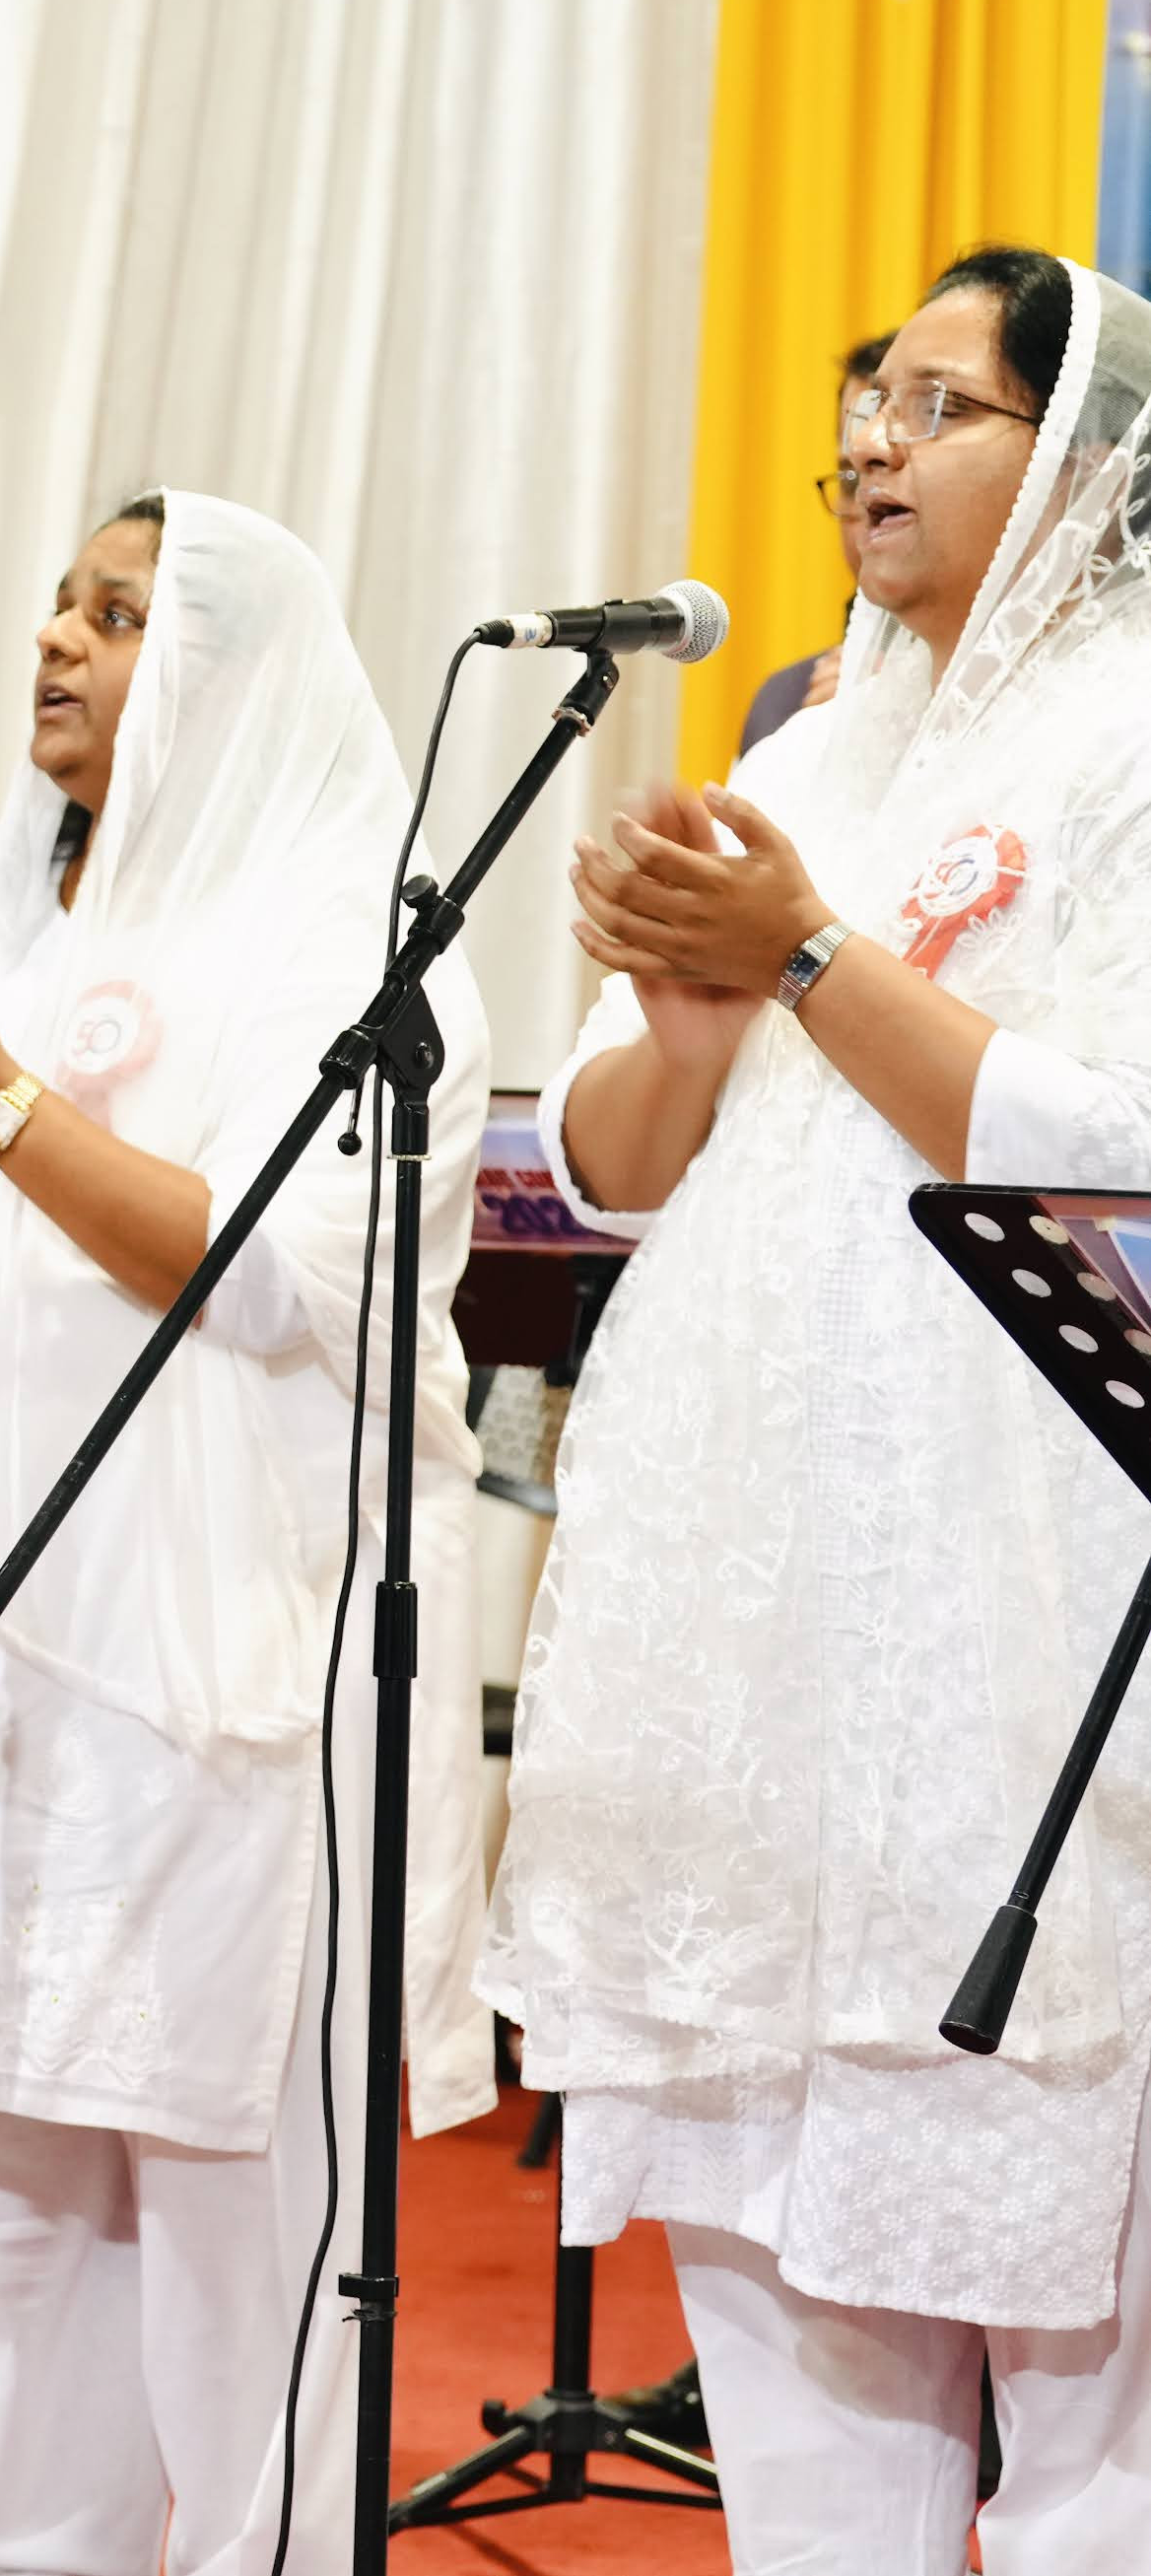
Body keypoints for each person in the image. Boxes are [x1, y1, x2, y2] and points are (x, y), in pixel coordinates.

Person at [487, 245, 1151, 2570]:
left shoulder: (1132, 728)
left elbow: (1112, 1146)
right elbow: (605, 1162)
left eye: (938, 405)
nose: (871, 439)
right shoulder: (798, 753)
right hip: (750, 1642)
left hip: (1013, 1612)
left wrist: (795, 955)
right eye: (868, 401)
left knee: (1079, 2384)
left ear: (1078, 458)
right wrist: (683, 1019)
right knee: (788, 2337)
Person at [0, 489, 494, 2573]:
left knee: (231, 2260)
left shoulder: (334, 940)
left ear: (230, 676)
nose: (57, 643)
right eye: (58, 605)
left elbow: (277, 1273)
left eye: (118, 615)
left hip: (199, 1700)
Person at [737, 328, 897, 751]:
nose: (870, 505)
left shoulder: (1022, 700)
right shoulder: (782, 703)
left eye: (884, 469)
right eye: (851, 479)